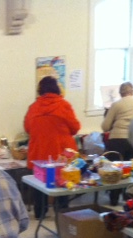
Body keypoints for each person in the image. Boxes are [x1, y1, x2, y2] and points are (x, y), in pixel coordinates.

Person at [24, 75, 81, 218]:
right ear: (56, 88)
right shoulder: (64, 105)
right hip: (61, 153)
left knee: (39, 183)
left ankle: (39, 212)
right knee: (63, 184)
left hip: (39, 153)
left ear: (40, 90)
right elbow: (75, 128)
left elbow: (27, 128)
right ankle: (62, 214)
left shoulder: (33, 107)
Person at [101, 81, 133, 205]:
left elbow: (105, 126)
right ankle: (128, 200)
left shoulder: (116, 104)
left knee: (115, 171)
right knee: (130, 171)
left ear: (120, 93)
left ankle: (113, 199)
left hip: (117, 140)